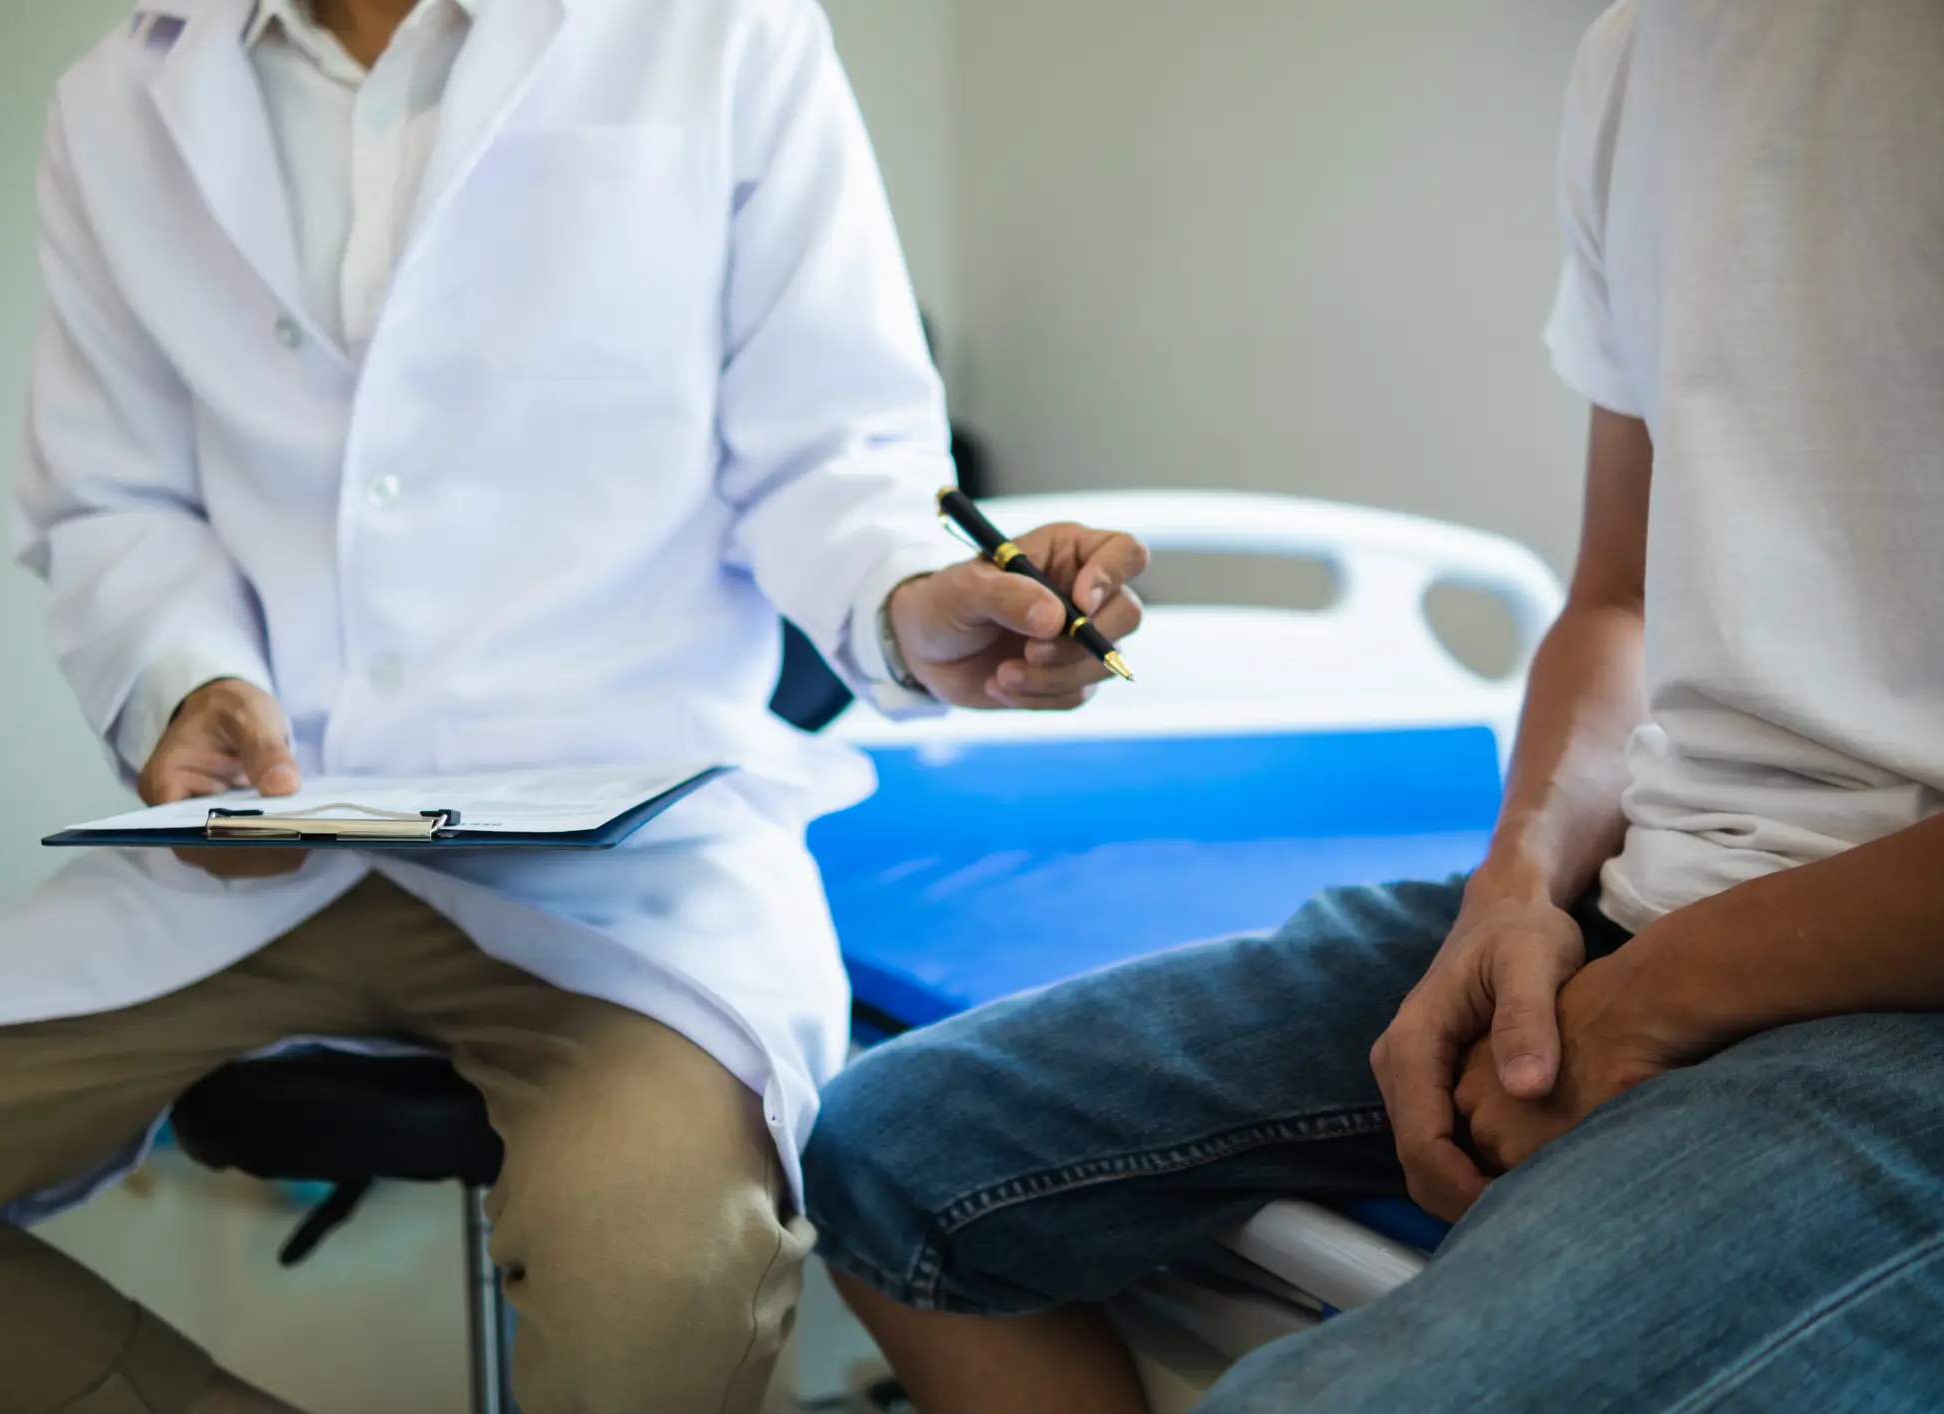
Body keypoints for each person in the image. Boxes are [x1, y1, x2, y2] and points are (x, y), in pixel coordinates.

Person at [0, 1, 1149, 1411]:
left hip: (624, 863)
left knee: (662, 1276)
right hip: (277, 840)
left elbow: (840, 454)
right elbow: (113, 499)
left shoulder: (720, 31)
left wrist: (910, 598)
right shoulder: (118, 97)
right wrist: (185, 682)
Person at [801, 1, 1944, 1410]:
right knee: (886, 1154)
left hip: (1902, 993)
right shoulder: (1650, 54)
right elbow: (1624, 598)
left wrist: (1661, 994)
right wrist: (1519, 888)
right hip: (1646, 896)